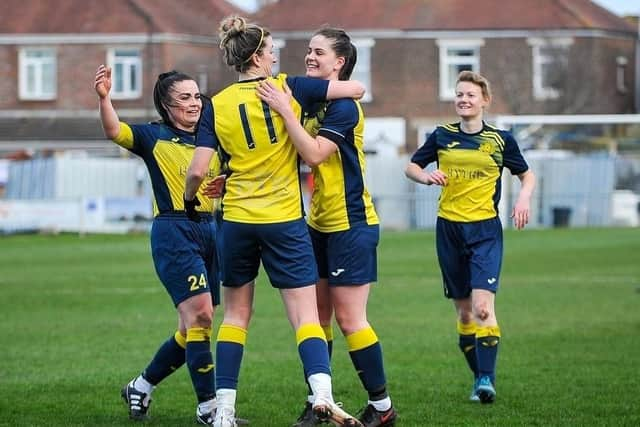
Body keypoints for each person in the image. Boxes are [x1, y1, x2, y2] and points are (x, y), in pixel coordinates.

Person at [184, 16, 366, 427]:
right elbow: (355, 88)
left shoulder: (217, 103)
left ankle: (225, 412)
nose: (277, 54)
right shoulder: (289, 86)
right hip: (284, 219)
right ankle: (322, 393)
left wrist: (193, 197)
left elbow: (197, 170)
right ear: (258, 56)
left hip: (236, 220)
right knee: (305, 317)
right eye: (271, 49)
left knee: (234, 317)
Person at [256, 27, 396, 427]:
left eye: (319, 52)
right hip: (316, 224)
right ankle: (320, 400)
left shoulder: (344, 108)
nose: (310, 57)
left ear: (340, 63)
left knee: (351, 320)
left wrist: (285, 110)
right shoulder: (309, 99)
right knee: (315, 319)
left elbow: (316, 154)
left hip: (351, 224)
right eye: (309, 51)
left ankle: (383, 408)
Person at [95, 65, 223, 425]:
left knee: (192, 328)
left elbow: (222, 177)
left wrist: (223, 186)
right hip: (174, 231)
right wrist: (105, 98)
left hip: (211, 230)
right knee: (201, 316)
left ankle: (141, 385)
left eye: (197, 95)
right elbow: (113, 131)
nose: (195, 103)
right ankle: (209, 409)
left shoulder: (211, 139)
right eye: (185, 97)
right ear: (166, 106)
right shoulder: (153, 137)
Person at [404, 70, 536, 404]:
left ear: (484, 101)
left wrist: (523, 198)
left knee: (481, 307)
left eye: (471, 95)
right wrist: (426, 176)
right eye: (460, 94)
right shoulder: (441, 135)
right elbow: (412, 167)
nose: (464, 99)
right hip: (448, 229)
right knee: (464, 314)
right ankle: (479, 375)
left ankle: (487, 380)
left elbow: (527, 175)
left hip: (485, 230)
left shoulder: (501, 140)